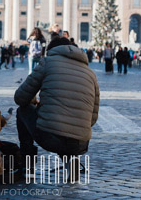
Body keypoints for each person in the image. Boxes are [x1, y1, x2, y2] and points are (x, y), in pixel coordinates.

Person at [14, 37, 99, 177]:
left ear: (51, 51)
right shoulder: (90, 73)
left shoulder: (48, 62)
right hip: (80, 144)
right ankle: (71, 159)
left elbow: (20, 98)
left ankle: (26, 165)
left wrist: (36, 104)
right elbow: (93, 118)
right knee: (66, 125)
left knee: (23, 110)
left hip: (51, 138)